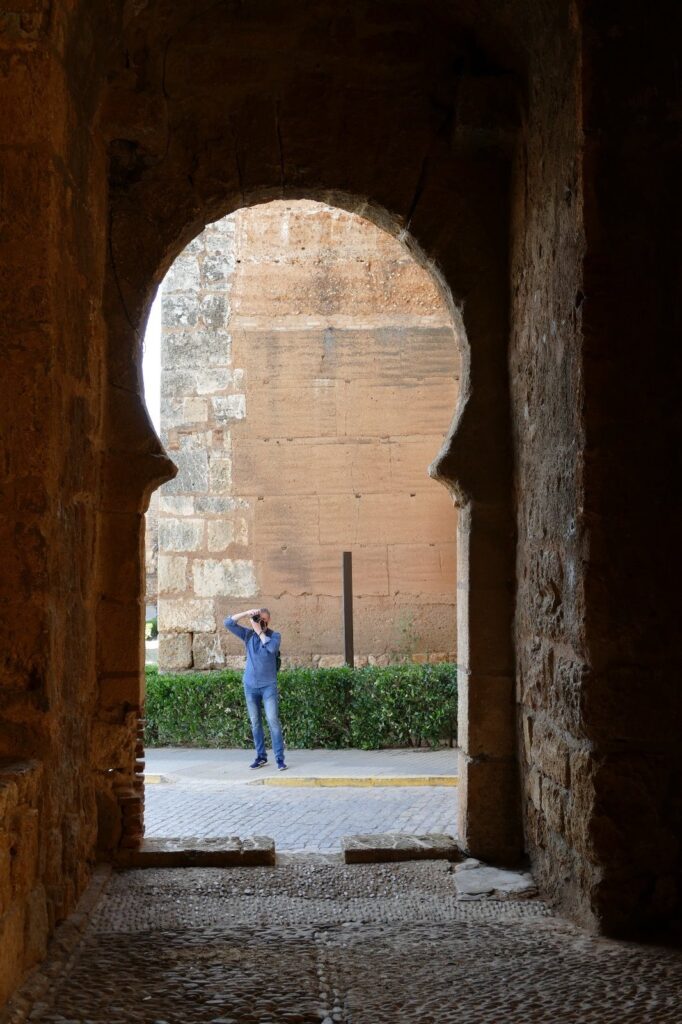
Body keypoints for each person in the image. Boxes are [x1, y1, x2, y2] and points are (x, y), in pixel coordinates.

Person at [224, 607, 286, 770]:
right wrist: (246, 614)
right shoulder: (248, 635)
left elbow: (271, 649)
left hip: (268, 686)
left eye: (263, 619)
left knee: (272, 720)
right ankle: (261, 757)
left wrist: (259, 631)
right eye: (258, 619)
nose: (261, 622)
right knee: (255, 722)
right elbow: (228, 623)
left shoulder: (275, 636)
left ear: (269, 620)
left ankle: (279, 759)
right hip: (250, 686)